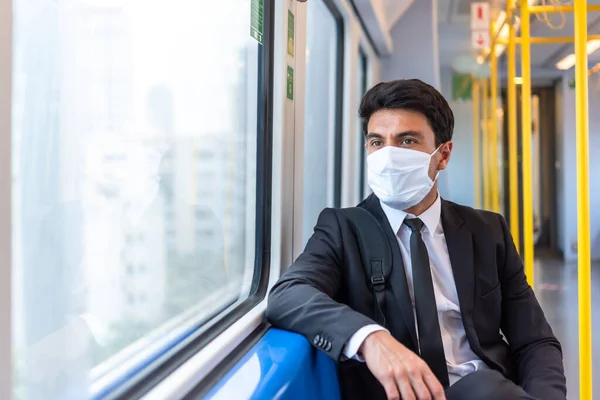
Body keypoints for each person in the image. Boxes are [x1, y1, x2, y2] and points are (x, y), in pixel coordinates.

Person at [266, 79, 566, 400]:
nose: (389, 155)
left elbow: (535, 341)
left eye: (407, 141)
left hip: (488, 388)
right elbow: (289, 294)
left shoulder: (487, 230)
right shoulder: (343, 228)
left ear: (443, 155)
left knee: (486, 388)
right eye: (377, 142)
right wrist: (371, 338)